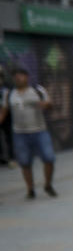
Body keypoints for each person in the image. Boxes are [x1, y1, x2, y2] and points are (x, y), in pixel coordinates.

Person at [0, 67, 57, 199]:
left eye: (21, 75)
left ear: (27, 77)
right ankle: (30, 190)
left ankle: (48, 185)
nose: (18, 78)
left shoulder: (37, 90)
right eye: (15, 76)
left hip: (39, 131)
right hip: (20, 134)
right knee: (25, 162)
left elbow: (49, 104)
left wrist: (45, 105)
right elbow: (3, 111)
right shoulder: (9, 94)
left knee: (49, 158)